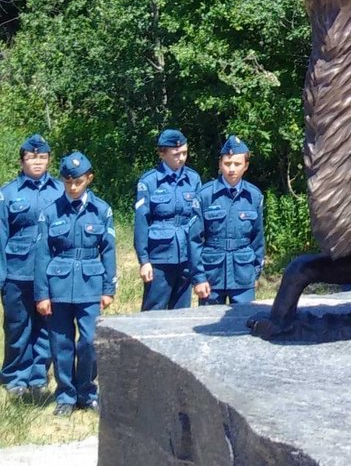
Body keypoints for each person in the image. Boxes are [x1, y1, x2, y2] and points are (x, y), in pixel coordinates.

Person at [32, 151, 115, 415]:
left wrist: (108, 288)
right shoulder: (51, 212)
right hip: (58, 287)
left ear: (89, 178)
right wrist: (42, 294)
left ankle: (87, 392)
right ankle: (66, 396)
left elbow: (109, 250)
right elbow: (42, 254)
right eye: (68, 182)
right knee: (61, 344)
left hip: (90, 285)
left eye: (78, 181)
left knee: (90, 341)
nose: (73, 186)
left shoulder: (101, 210)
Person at [1, 134, 64, 396]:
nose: (37, 162)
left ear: (49, 160)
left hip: (50, 272)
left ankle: (38, 376)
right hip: (19, 271)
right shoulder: (8, 193)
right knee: (17, 325)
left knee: (46, 326)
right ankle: (15, 376)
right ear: (22, 161)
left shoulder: (61, 190)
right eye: (31, 157)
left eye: (42, 157)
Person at [133, 128, 208, 310]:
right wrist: (144, 261)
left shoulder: (193, 178)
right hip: (159, 257)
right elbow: (142, 222)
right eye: (176, 154)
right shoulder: (149, 181)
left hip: (186, 255)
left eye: (184, 153)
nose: (181, 158)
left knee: (182, 314)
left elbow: (198, 222)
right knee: (154, 312)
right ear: (162, 153)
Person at [196, 136, 264, 305]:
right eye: (227, 164)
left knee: (242, 324)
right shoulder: (205, 195)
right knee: (207, 321)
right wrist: (198, 277)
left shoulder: (254, 196)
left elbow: (258, 238)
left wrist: (255, 272)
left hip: (243, 273)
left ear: (246, 166)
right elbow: (194, 240)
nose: (231, 169)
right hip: (211, 273)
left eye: (237, 164)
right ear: (220, 164)